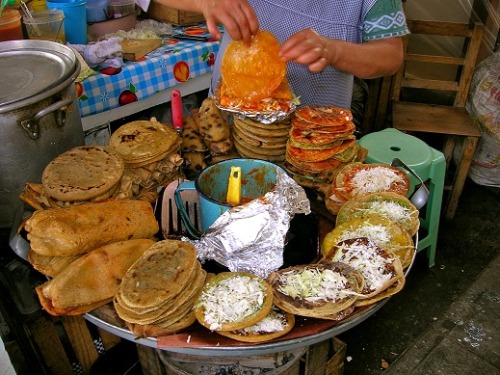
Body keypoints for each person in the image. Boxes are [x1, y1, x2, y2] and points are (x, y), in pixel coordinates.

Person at [157, 0, 409, 110]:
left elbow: (390, 55)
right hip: (229, 127)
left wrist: (335, 50)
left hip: (313, 141)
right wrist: (205, 1)